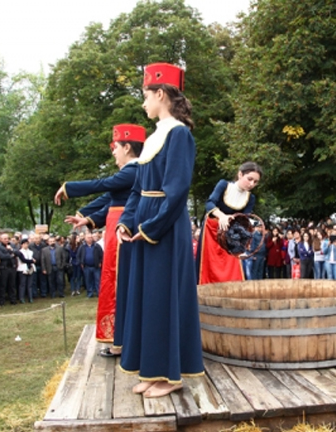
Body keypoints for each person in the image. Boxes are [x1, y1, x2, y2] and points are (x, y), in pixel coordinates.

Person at [116, 63, 204, 398]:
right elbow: (138, 189)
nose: (143, 104)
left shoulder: (179, 133)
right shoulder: (154, 136)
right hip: (146, 224)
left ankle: (171, 376)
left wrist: (151, 227)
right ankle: (152, 371)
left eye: (146, 96)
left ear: (161, 94)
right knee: (148, 299)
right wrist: (127, 221)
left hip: (166, 227)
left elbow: (178, 189)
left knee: (164, 297)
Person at [56, 123, 145, 344]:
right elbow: (110, 200)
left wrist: (68, 188)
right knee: (113, 279)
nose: (113, 151)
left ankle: (120, 338)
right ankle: (118, 336)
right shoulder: (131, 173)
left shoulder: (135, 170)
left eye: (115, 146)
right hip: (117, 225)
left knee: (117, 280)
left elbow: (102, 185)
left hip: (123, 227)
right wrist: (87, 218)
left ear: (126, 147)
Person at [196, 162, 262, 284]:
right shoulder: (223, 185)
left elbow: (243, 221)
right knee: (208, 263)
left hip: (231, 234)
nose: (252, 184)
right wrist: (221, 216)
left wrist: (242, 245)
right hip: (212, 230)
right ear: (240, 174)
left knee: (231, 265)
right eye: (249, 179)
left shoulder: (250, 198)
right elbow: (210, 203)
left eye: (255, 182)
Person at [77, 232, 103, 299]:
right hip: (87, 267)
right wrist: (81, 263)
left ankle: (99, 293)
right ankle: (89, 293)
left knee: (97, 280)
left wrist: (100, 262)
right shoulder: (82, 247)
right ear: (85, 238)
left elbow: (102, 255)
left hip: (96, 267)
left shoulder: (97, 246)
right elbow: (78, 256)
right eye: (88, 237)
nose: (90, 239)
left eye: (91, 237)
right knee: (88, 281)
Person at [15, 239, 36, 304]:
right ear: (21, 245)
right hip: (22, 268)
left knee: (30, 284)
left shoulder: (30, 252)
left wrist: (32, 261)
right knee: (22, 284)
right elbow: (23, 260)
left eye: (27, 244)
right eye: (24, 244)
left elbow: (33, 259)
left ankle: (30, 297)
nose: (26, 245)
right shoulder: (19, 252)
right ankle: (21, 298)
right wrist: (32, 261)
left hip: (30, 268)